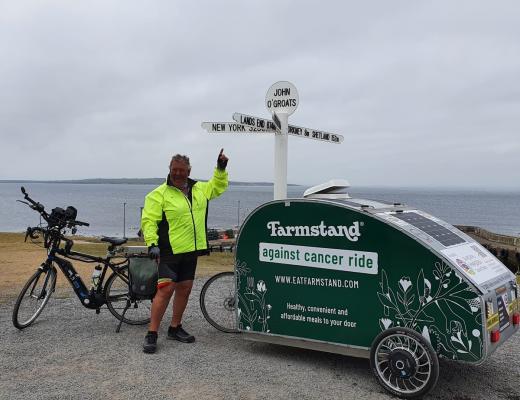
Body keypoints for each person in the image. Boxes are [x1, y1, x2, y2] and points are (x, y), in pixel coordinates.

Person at [140, 149, 229, 353]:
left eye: (182, 170)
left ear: (189, 171)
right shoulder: (158, 194)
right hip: (168, 250)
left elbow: (218, 187)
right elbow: (149, 221)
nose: (177, 173)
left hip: (191, 250)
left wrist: (221, 168)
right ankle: (151, 333)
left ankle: (175, 327)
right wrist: (152, 243)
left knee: (185, 288)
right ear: (169, 170)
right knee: (165, 290)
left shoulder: (199, 189)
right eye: (174, 169)